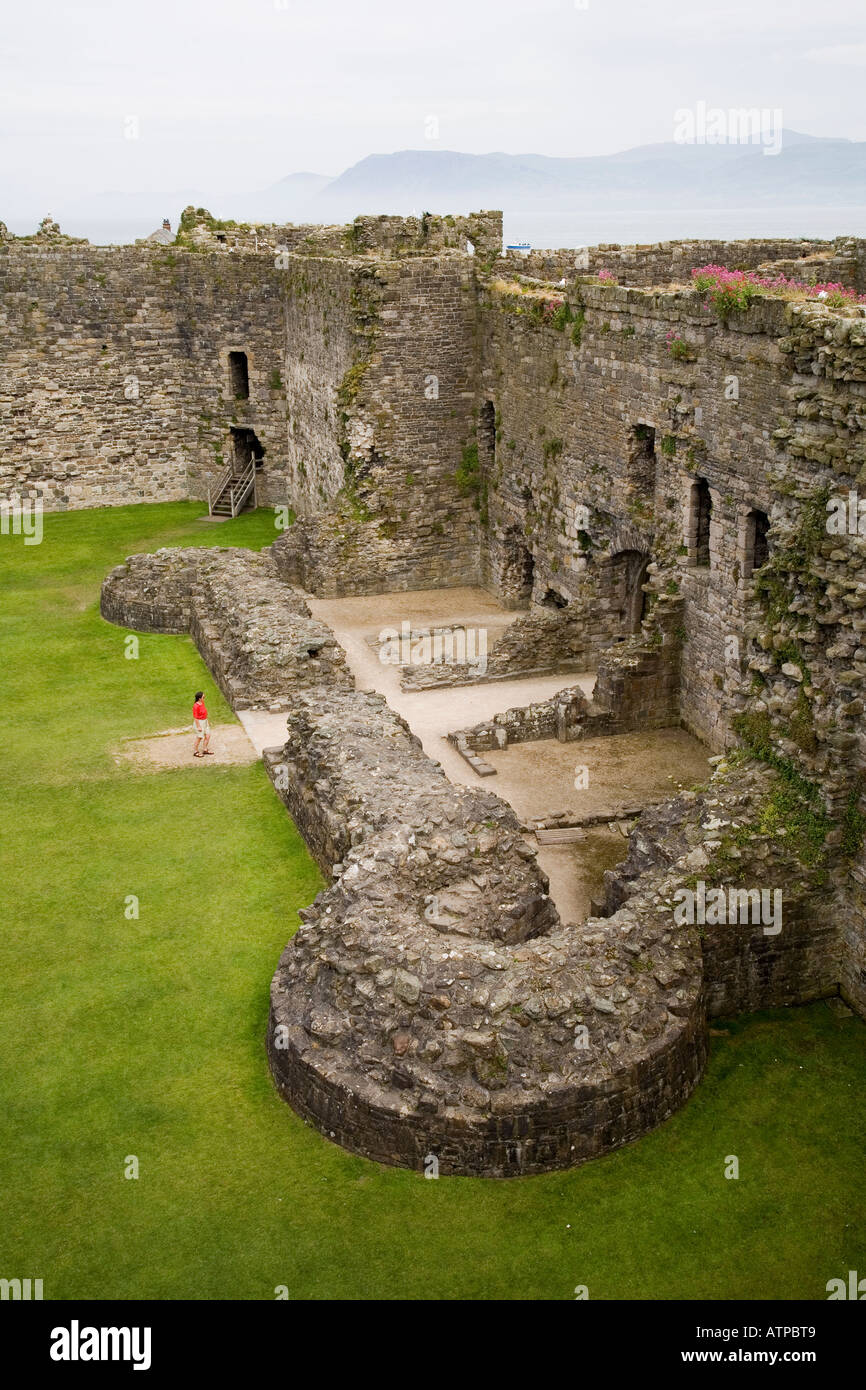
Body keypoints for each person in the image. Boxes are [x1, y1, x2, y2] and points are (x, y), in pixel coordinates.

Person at [192, 691, 212, 757]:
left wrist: (207, 721)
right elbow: (195, 717)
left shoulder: (202, 703)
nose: (204, 698)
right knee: (199, 737)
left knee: (208, 735)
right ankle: (195, 751)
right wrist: (198, 726)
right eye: (203, 697)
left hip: (205, 721)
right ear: (199, 698)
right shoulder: (195, 706)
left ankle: (205, 749)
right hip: (200, 722)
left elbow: (204, 713)